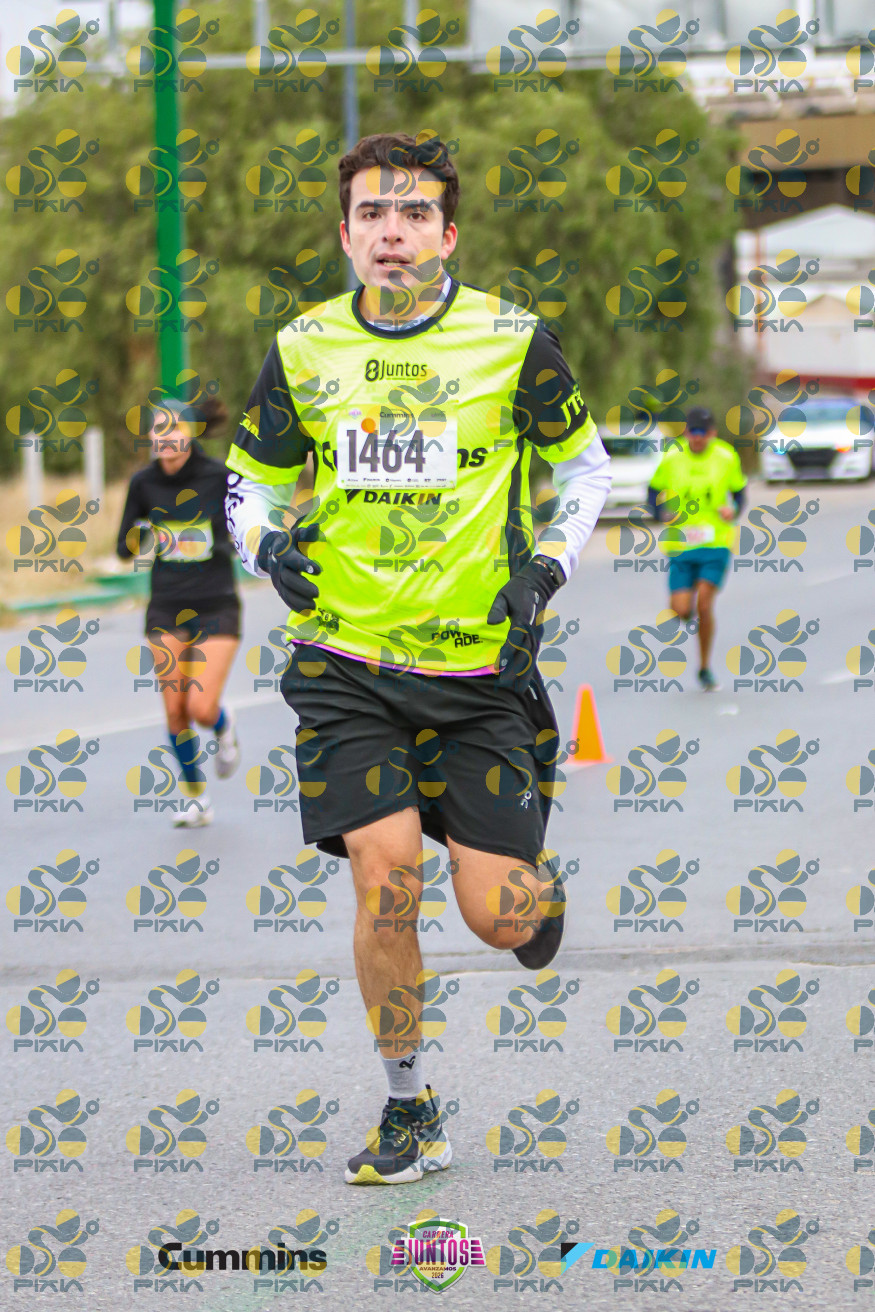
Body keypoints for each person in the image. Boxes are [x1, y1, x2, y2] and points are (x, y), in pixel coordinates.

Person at [225, 131, 611, 1185]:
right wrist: (264, 546)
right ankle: (409, 1108)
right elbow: (248, 482)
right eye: (370, 213)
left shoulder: (513, 342)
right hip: (345, 662)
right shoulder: (303, 347)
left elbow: (585, 471)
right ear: (344, 233)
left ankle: (532, 888)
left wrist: (543, 570)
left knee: (497, 917)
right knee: (384, 875)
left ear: (448, 234)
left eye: (412, 214)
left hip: (477, 673)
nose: (390, 232)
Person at [117, 394, 241, 825]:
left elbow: (244, 526)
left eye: (174, 429)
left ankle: (223, 725)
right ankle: (197, 799)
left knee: (201, 709)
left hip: (216, 602)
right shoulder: (143, 484)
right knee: (175, 710)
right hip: (166, 605)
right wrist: (142, 534)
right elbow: (123, 548)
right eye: (158, 429)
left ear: (190, 434)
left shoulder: (219, 477)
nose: (165, 437)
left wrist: (224, 540)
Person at [647, 404, 747, 691]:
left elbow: (740, 493)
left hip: (716, 543)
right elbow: (653, 491)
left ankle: (704, 667)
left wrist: (733, 510)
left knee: (704, 603)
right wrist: (660, 513)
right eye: (693, 432)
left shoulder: (726, 456)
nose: (698, 437)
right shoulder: (672, 456)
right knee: (680, 609)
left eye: (703, 432)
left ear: (712, 433)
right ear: (686, 432)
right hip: (681, 544)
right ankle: (690, 614)